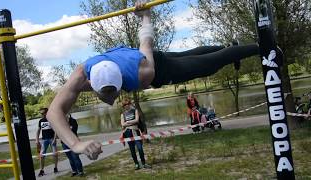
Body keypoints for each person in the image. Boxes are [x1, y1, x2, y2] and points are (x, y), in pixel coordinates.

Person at [47, 0, 261, 160]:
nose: (112, 100)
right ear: (92, 84)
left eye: (116, 93)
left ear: (121, 81)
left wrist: (145, 16)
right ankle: (232, 49)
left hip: (160, 69)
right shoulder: (80, 73)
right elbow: (53, 111)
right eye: (105, 95)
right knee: (193, 53)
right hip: (147, 58)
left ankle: (262, 47)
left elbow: (146, 42)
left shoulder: (142, 73)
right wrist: (75, 144)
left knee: (206, 65)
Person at [120, 98, 150, 170]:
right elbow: (122, 124)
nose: (127, 105)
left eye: (128, 104)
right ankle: (136, 164)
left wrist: (128, 122)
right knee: (132, 149)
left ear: (130, 104)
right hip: (127, 133)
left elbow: (137, 120)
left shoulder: (135, 111)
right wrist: (130, 122)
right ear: (123, 106)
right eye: (125, 105)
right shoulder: (122, 114)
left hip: (135, 131)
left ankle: (144, 163)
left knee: (140, 148)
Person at [36, 108, 58, 177]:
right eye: (41, 113)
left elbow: (56, 130)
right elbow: (38, 131)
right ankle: (41, 170)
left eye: (42, 113)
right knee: (42, 155)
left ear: (46, 113)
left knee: (55, 154)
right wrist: (37, 140)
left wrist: (54, 139)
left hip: (52, 139)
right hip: (44, 140)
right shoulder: (40, 121)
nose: (41, 115)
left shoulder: (51, 120)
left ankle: (55, 167)